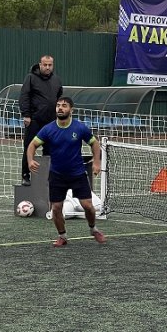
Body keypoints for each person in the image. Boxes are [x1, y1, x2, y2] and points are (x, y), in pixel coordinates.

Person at [27, 97, 105, 247]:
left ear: (71, 110)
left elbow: (95, 143)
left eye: (64, 106)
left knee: (88, 206)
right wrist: (30, 160)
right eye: (58, 105)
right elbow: (32, 145)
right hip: (57, 175)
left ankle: (93, 229)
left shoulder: (79, 128)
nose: (60, 108)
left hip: (77, 174)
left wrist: (96, 162)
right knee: (56, 208)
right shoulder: (48, 129)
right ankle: (62, 236)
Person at [19, 55, 63, 186]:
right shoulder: (31, 78)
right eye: (45, 65)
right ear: (40, 65)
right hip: (34, 120)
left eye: (50, 65)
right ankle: (25, 176)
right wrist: (26, 115)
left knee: (49, 149)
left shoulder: (56, 80)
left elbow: (59, 97)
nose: (47, 67)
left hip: (51, 122)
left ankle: (47, 177)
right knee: (29, 147)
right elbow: (24, 96)